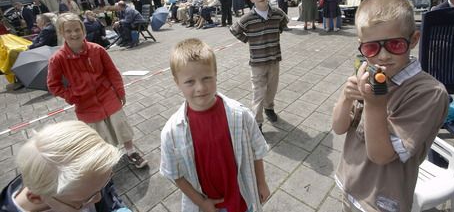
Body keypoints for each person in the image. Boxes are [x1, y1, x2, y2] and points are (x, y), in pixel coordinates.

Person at [332, 0, 449, 212]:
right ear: (361, 46)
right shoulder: (370, 74)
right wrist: (346, 97)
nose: (383, 56)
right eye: (371, 48)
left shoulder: (429, 93)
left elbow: (381, 155)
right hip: (350, 184)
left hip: (382, 199)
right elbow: (339, 128)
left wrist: (375, 105)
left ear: (413, 40)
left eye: (395, 45)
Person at [160, 38, 270, 212]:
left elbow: (257, 150)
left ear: (216, 74)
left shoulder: (240, 115)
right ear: (177, 82)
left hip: (244, 197)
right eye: (190, 81)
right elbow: (175, 174)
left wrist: (261, 182)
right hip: (208, 206)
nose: (200, 87)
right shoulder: (171, 132)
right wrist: (201, 202)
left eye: (207, 78)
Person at [47, 13, 148, 169]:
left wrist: (120, 93)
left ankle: (131, 152)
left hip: (108, 96)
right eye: (68, 31)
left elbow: (112, 73)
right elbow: (53, 85)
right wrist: (72, 96)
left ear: (83, 30)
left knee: (121, 126)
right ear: (62, 33)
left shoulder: (97, 50)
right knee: (99, 136)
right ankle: (109, 158)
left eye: (77, 29)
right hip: (85, 105)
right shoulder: (57, 59)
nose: (73, 34)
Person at [0, 120, 130, 212]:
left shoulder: (91, 179)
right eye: (82, 202)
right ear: (36, 197)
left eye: (106, 182)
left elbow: (109, 199)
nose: (98, 198)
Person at [230, 0, 288, 131]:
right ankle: (258, 122)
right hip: (257, 62)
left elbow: (283, 23)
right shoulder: (247, 18)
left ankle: (269, 108)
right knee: (258, 92)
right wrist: (247, 39)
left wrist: (275, 33)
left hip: (274, 59)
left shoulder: (277, 13)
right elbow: (234, 29)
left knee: (272, 88)